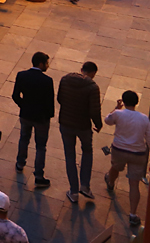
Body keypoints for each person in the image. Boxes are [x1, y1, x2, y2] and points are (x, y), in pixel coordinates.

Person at [104, 90, 150, 227]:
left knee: (115, 167)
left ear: (123, 101)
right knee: (134, 184)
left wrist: (116, 108)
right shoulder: (143, 118)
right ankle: (132, 214)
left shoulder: (119, 114)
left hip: (119, 149)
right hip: (138, 153)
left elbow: (107, 120)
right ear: (136, 102)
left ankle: (110, 182)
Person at [57, 61, 102, 203]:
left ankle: (74, 191)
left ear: (81, 69)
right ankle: (85, 186)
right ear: (93, 73)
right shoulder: (92, 87)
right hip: (83, 126)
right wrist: (98, 124)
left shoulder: (65, 80)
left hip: (66, 123)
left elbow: (59, 99)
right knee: (87, 151)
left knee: (70, 155)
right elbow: (94, 110)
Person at [12, 52, 54, 188]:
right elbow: (50, 102)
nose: (48, 65)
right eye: (47, 63)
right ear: (41, 64)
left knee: (24, 138)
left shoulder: (22, 75)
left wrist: (23, 105)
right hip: (41, 118)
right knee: (41, 146)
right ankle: (38, 175)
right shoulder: (47, 81)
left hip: (26, 115)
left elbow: (15, 95)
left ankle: (20, 163)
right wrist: (49, 115)